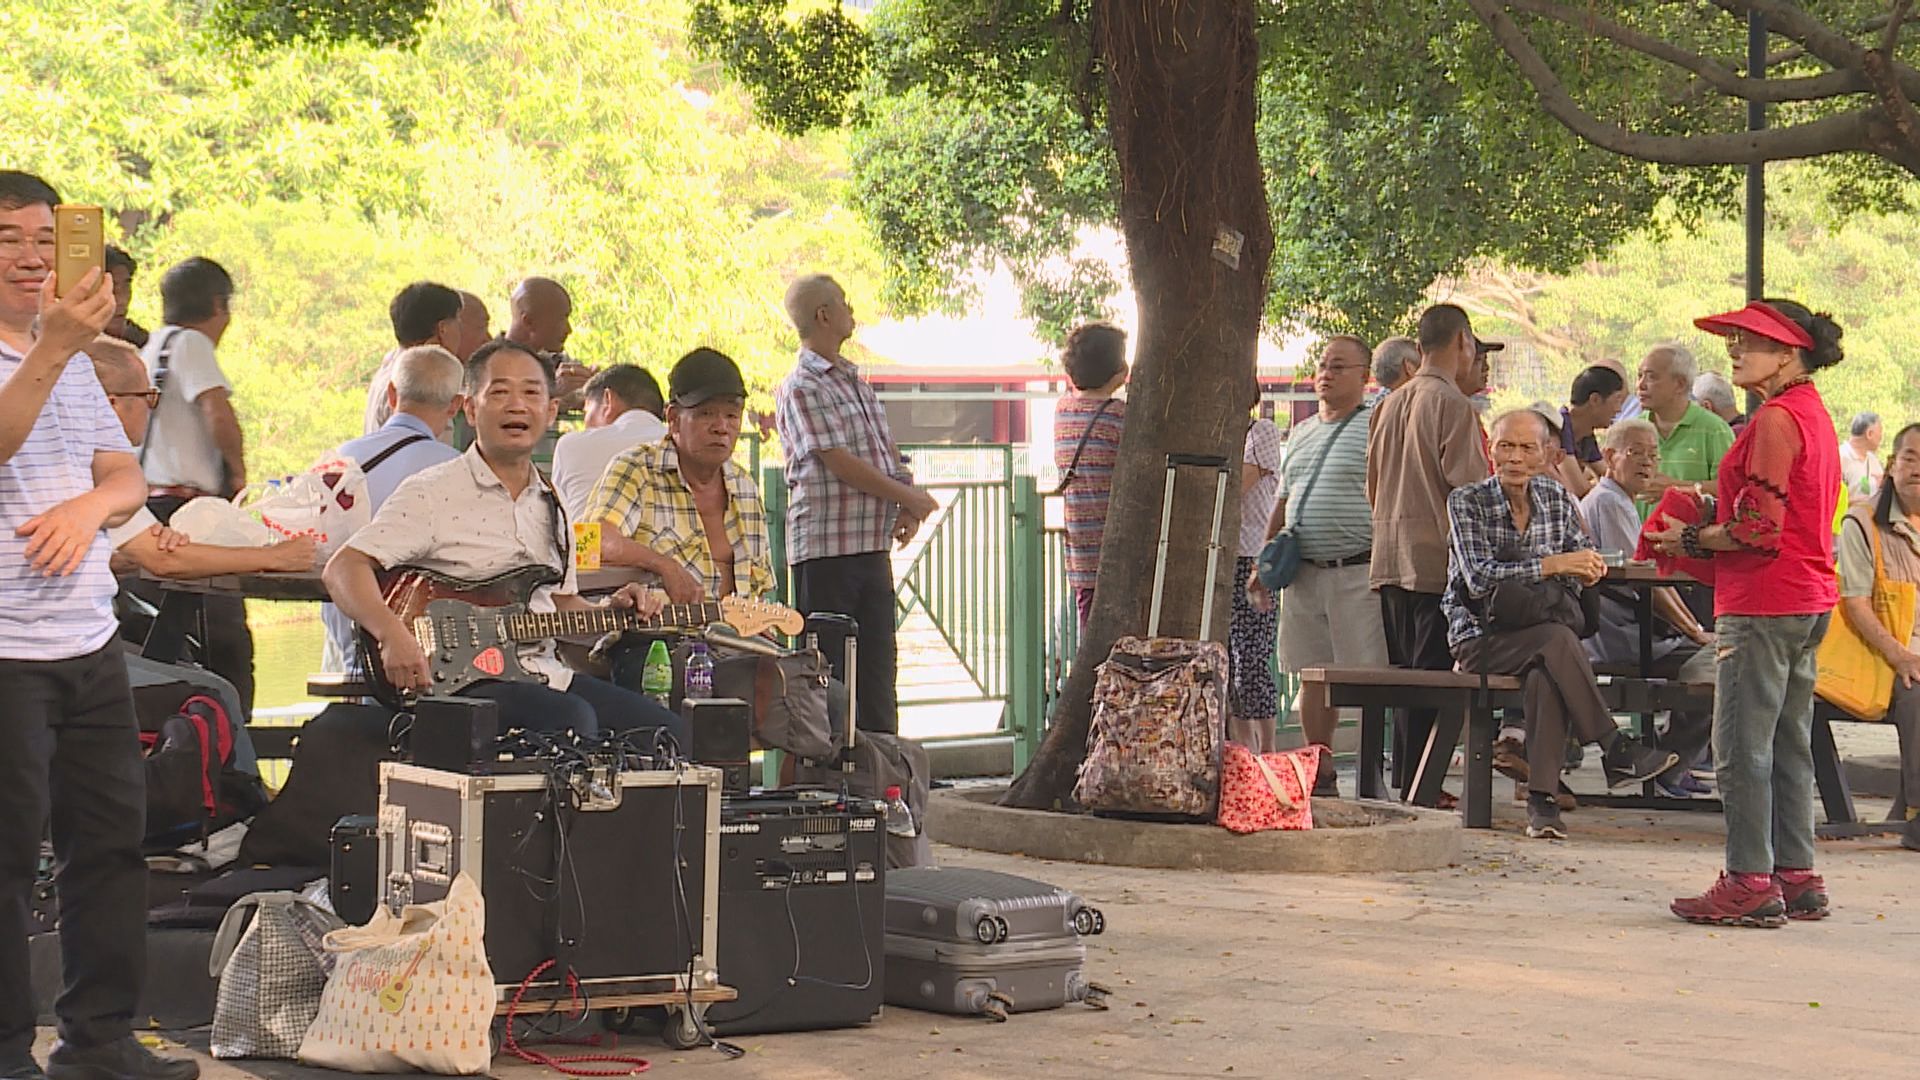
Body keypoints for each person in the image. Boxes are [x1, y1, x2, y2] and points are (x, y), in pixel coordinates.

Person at [0, 169, 200, 1080]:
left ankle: (101, 1041)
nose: (32, 258)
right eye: (9, 242)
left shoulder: (82, 366)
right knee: (6, 860)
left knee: (110, 846)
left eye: (45, 240)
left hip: (86, 639)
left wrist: (88, 511)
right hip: (4, 649)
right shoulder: (55, 355)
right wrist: (52, 345)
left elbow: (124, 477)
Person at [323, 340, 687, 747]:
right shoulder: (432, 492)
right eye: (500, 392)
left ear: (550, 412)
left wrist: (613, 612)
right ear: (469, 408)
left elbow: (561, 606)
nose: (517, 405)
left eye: (531, 393)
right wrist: (392, 634)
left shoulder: (553, 503)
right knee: (570, 719)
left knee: (667, 734)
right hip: (456, 685)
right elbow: (343, 568)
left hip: (543, 676)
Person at [1649, 299, 1844, 928]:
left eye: (1749, 340)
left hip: (1762, 601)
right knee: (1789, 743)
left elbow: (1758, 530)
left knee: (1739, 747)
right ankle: (1795, 874)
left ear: (1788, 352)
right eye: (1734, 339)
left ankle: (1748, 882)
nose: (1735, 349)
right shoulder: (1810, 413)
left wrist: (1689, 538)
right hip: (1806, 599)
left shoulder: (1773, 422)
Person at [1446, 410, 1679, 839]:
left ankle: (1543, 803)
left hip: (1543, 631)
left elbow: (1587, 556)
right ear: (1490, 450)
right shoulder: (1467, 500)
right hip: (1481, 636)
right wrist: (1552, 565)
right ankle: (1613, 746)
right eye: (1505, 447)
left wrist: (1587, 568)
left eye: (1526, 448)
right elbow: (1477, 578)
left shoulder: (1555, 498)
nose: (1514, 458)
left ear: (1547, 454)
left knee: (1545, 674)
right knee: (1557, 642)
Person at [776, 273, 937, 735]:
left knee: (878, 671)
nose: (853, 312)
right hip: (827, 548)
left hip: (869, 545)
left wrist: (904, 503)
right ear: (823, 315)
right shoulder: (802, 384)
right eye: (844, 303)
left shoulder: (855, 381)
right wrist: (907, 497)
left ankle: (882, 771)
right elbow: (838, 461)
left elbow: (882, 451)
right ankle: (833, 777)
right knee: (829, 674)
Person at [1251, 335, 1386, 794]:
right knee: (1312, 673)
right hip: (1304, 572)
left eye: (1339, 367)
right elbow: (1283, 499)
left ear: (1364, 378)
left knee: (1366, 676)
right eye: (1322, 366)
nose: (1325, 375)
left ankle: (1370, 772)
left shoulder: (1376, 426)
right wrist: (1263, 558)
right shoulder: (1304, 432)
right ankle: (1320, 767)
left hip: (1358, 570)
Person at [1367, 304, 1491, 800]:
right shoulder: (1454, 405)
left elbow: (1372, 487)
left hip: (1388, 556)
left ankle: (1405, 778)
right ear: (1463, 342)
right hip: (1436, 561)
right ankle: (1424, 783)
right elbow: (1468, 492)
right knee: (1433, 674)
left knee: (1404, 674)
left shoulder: (1388, 404)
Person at [138, 256, 253, 709]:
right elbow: (216, 411)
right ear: (217, 305)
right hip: (190, 510)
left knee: (172, 637)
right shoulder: (191, 345)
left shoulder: (152, 347)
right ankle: (237, 751)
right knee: (227, 642)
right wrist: (239, 471)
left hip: (151, 507)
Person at [1578, 418, 1715, 797]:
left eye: (1653, 455)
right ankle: (1667, 762)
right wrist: (1694, 631)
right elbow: (1648, 582)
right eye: (1635, 452)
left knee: (1715, 656)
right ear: (1609, 456)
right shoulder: (1607, 501)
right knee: (1722, 667)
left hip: (1635, 629)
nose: (1646, 463)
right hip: (1620, 635)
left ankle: (1666, 759)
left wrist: (1695, 630)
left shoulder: (1622, 501)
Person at [588, 348, 775, 603]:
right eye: (706, 414)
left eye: (732, 415)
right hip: (655, 638)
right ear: (673, 419)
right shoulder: (637, 469)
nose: (721, 427)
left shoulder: (744, 486)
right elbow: (590, 542)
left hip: (733, 640)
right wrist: (664, 566)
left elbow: (759, 589)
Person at [323, 345, 466, 675]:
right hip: (419, 643)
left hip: (344, 625)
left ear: (391, 393)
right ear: (457, 406)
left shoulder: (340, 459)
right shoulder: (456, 469)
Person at [1830, 422, 1920, 852]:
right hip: (1877, 653)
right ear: (1891, 465)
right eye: (1910, 458)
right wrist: (1900, 655)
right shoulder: (1864, 522)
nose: (1917, 469)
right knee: (1917, 690)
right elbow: (1855, 602)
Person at [1052, 322, 1128, 629]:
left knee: (1092, 636)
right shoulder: (1119, 415)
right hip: (1119, 552)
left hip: (1081, 554)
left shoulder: (1063, 410)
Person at [1228, 401, 1284, 752]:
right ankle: (1244, 751)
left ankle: (1269, 750)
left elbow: (1236, 485)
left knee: (1252, 657)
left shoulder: (1261, 431)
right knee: (1228, 658)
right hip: (1224, 556)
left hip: (1253, 557)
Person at [550, 363, 667, 522]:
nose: (586, 424)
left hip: (589, 545)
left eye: (587, 412)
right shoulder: (681, 445)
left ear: (608, 400)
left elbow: (557, 520)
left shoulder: (571, 445)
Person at [363, 281, 465, 435]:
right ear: (442, 329)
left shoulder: (392, 367)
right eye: (458, 322)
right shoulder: (414, 382)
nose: (460, 331)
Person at [1637, 343, 1734, 503]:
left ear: (1680, 384)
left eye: (1651, 377)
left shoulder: (1715, 430)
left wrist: (1677, 488)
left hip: (1691, 528)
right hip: (1637, 528)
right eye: (1639, 375)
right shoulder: (1634, 428)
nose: (1640, 385)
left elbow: (1730, 489)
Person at [506, 276, 594, 403]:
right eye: (561, 320)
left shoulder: (555, 363)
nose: (568, 330)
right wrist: (552, 393)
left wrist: (592, 385)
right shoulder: (487, 368)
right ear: (529, 322)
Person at [1552, 365, 1628, 500]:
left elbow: (1612, 479)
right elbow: (1580, 490)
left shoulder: (1586, 434)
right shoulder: (1559, 427)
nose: (1619, 410)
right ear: (1595, 400)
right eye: (1617, 400)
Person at [103, 246, 147, 348]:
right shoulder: (69, 346)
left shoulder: (146, 345)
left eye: (126, 285)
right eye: (112, 287)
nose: (122, 299)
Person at [1839, 411, 1884, 498]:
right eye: (1880, 432)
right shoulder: (1840, 458)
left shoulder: (1873, 460)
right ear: (1869, 434)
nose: (1881, 437)